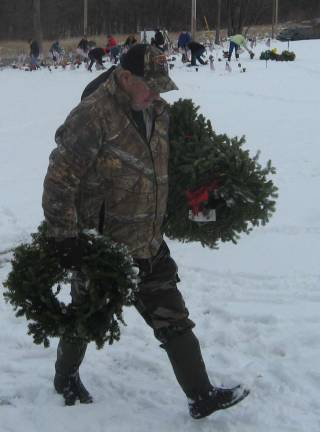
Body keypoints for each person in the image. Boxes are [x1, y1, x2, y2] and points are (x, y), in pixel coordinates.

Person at [42, 43, 249, 418]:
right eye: (149, 85)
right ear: (125, 77)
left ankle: (201, 395)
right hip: (104, 248)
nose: (155, 93)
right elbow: (60, 179)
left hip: (148, 239)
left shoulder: (156, 110)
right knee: (87, 315)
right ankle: (65, 377)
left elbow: (166, 169)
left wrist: (201, 202)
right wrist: (65, 237)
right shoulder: (92, 117)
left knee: (172, 316)